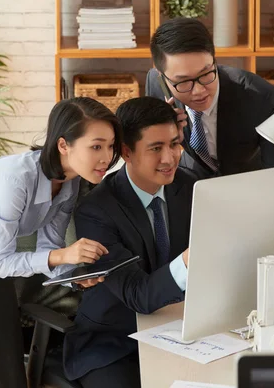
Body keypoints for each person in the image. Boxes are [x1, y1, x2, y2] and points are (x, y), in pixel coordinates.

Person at [0, 97, 122, 388]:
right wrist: (63, 256)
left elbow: (50, 245)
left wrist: (75, 279)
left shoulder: (70, 182)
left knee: (7, 355)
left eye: (110, 145)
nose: (107, 156)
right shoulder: (14, 180)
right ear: (64, 145)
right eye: (96, 146)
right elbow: (5, 262)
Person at [64, 96, 198, 388]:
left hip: (182, 332)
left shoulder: (191, 188)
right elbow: (138, 295)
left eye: (174, 144)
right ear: (126, 151)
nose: (170, 157)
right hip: (114, 343)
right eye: (156, 148)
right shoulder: (96, 210)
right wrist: (191, 259)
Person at [145, 18, 274, 179]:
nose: (199, 91)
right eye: (183, 81)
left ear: (214, 60)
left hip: (246, 177)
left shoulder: (261, 96)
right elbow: (146, 160)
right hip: (192, 173)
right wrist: (168, 136)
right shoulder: (157, 86)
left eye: (206, 74)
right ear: (163, 79)